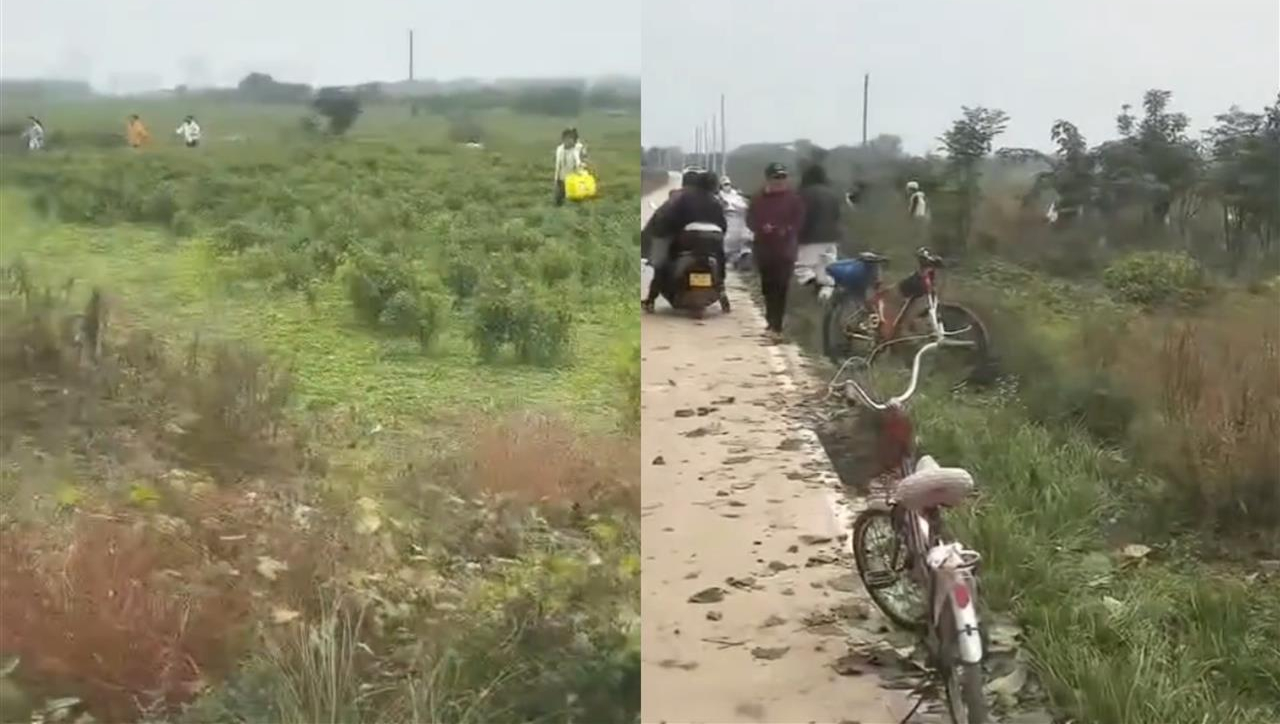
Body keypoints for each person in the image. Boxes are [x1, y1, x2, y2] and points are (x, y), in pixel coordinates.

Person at [643, 170, 728, 312]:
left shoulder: (682, 198)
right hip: (714, 239)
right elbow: (723, 225)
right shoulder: (716, 201)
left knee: (661, 264)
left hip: (689, 238)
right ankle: (723, 294)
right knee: (720, 259)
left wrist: (665, 233)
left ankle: (651, 299)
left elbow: (670, 220)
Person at [747, 163, 805, 341]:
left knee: (781, 288)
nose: (780, 181)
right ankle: (771, 322)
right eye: (776, 178)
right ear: (768, 179)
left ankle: (777, 326)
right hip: (764, 249)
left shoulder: (794, 199)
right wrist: (761, 228)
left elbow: (799, 221)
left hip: (784, 251)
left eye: (782, 177)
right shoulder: (758, 199)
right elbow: (750, 220)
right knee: (768, 287)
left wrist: (786, 229)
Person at [796, 164, 843, 300]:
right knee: (826, 270)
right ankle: (824, 298)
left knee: (803, 268)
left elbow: (800, 217)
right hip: (831, 237)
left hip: (810, 238)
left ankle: (815, 284)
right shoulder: (831, 194)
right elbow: (837, 215)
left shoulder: (804, 194)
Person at [553, 128, 587, 206]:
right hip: (562, 179)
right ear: (563, 139)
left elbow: (583, 161)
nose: (569, 141)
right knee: (558, 201)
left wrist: (582, 166)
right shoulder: (559, 149)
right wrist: (556, 179)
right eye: (567, 139)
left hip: (574, 179)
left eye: (571, 139)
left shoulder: (577, 149)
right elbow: (558, 165)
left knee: (577, 200)